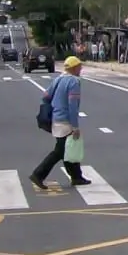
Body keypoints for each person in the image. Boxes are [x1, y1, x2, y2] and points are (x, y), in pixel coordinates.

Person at [30, 57, 89, 190]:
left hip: (56, 118)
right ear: (74, 68)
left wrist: (55, 106)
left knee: (67, 149)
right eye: (79, 66)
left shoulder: (59, 79)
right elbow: (72, 106)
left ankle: (77, 177)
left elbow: (45, 96)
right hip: (65, 121)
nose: (81, 69)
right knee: (60, 151)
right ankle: (38, 174)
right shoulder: (74, 82)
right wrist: (75, 126)